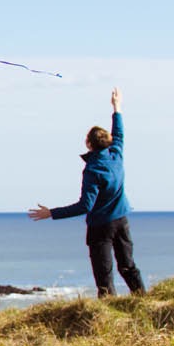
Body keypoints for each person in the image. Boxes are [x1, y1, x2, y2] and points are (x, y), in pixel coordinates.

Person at [28, 87, 145, 297]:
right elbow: (119, 132)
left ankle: (108, 315)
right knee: (127, 265)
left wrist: (52, 213)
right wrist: (117, 107)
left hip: (101, 227)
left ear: (89, 144)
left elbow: (85, 206)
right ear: (107, 142)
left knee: (104, 275)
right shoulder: (116, 153)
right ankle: (142, 299)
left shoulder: (92, 170)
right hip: (121, 221)